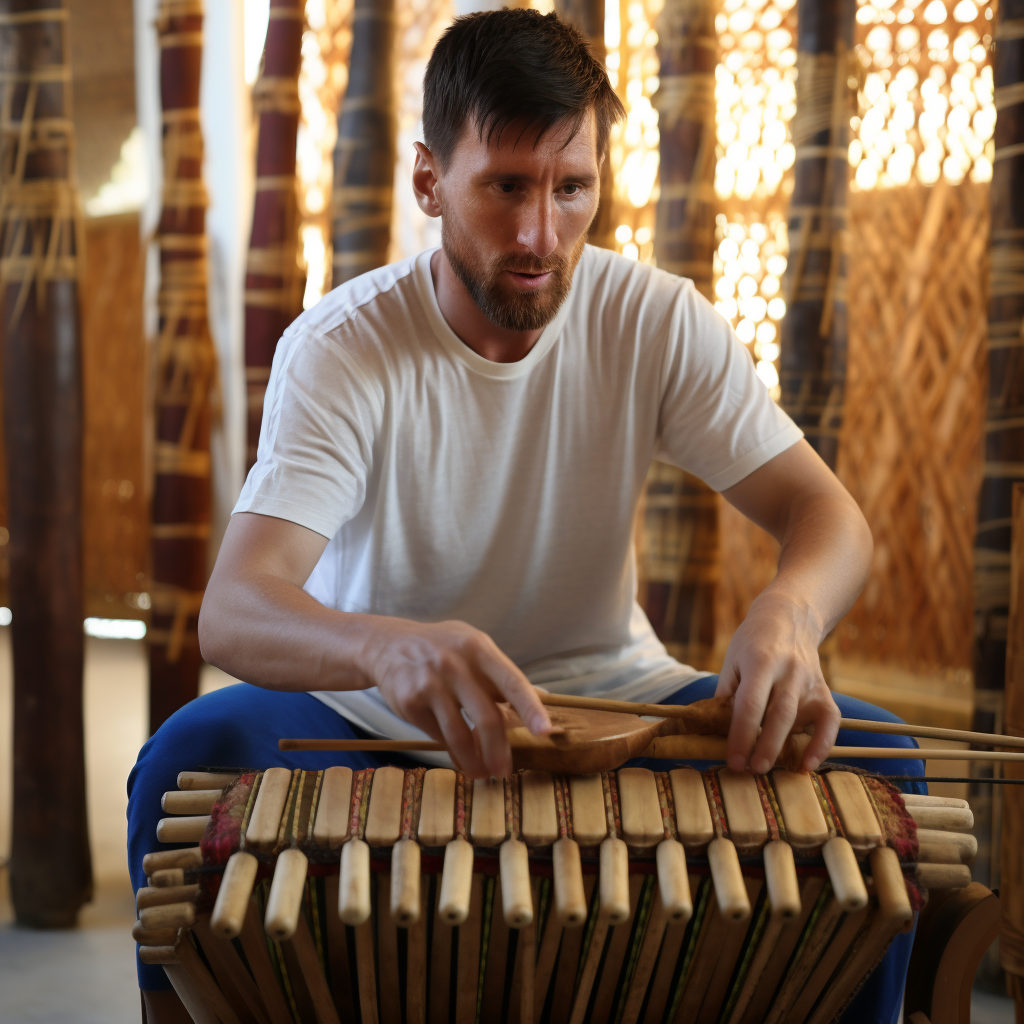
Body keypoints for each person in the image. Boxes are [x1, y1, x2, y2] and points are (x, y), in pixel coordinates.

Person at [128, 9, 922, 1022]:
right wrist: (385, 649)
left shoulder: (652, 318)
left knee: (883, 759)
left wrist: (791, 615)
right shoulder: (343, 347)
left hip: (619, 698)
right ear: (429, 181)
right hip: (379, 715)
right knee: (186, 758)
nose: (541, 235)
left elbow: (828, 517)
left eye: (571, 188)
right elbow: (235, 611)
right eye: (505, 186)